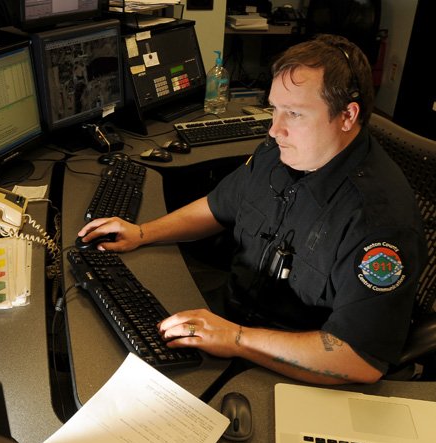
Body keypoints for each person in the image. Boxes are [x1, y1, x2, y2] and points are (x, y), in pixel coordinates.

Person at [77, 34, 428, 385]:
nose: (275, 129)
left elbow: (358, 358)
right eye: (274, 108)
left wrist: (237, 340)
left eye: (294, 113)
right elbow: (219, 206)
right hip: (234, 319)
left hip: (287, 368)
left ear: (347, 116)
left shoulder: (378, 221)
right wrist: (144, 232)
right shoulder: (280, 152)